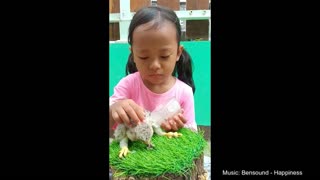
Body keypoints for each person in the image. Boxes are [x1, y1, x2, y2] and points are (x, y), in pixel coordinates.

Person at [109, 6, 197, 133]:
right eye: (144, 57)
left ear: (178, 53)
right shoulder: (128, 84)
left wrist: (178, 130)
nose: (155, 65)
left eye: (164, 56)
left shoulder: (184, 93)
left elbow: (193, 141)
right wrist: (114, 109)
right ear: (133, 54)